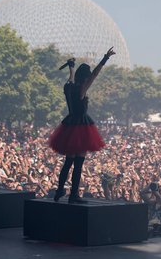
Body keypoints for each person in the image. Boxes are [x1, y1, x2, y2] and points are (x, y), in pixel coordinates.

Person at [48, 47, 115, 203]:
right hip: (81, 127)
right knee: (78, 163)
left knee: (68, 162)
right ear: (85, 78)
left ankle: (59, 190)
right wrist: (105, 58)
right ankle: (73, 195)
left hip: (69, 125)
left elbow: (71, 77)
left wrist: (71, 66)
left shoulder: (69, 87)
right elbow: (95, 75)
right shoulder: (82, 89)